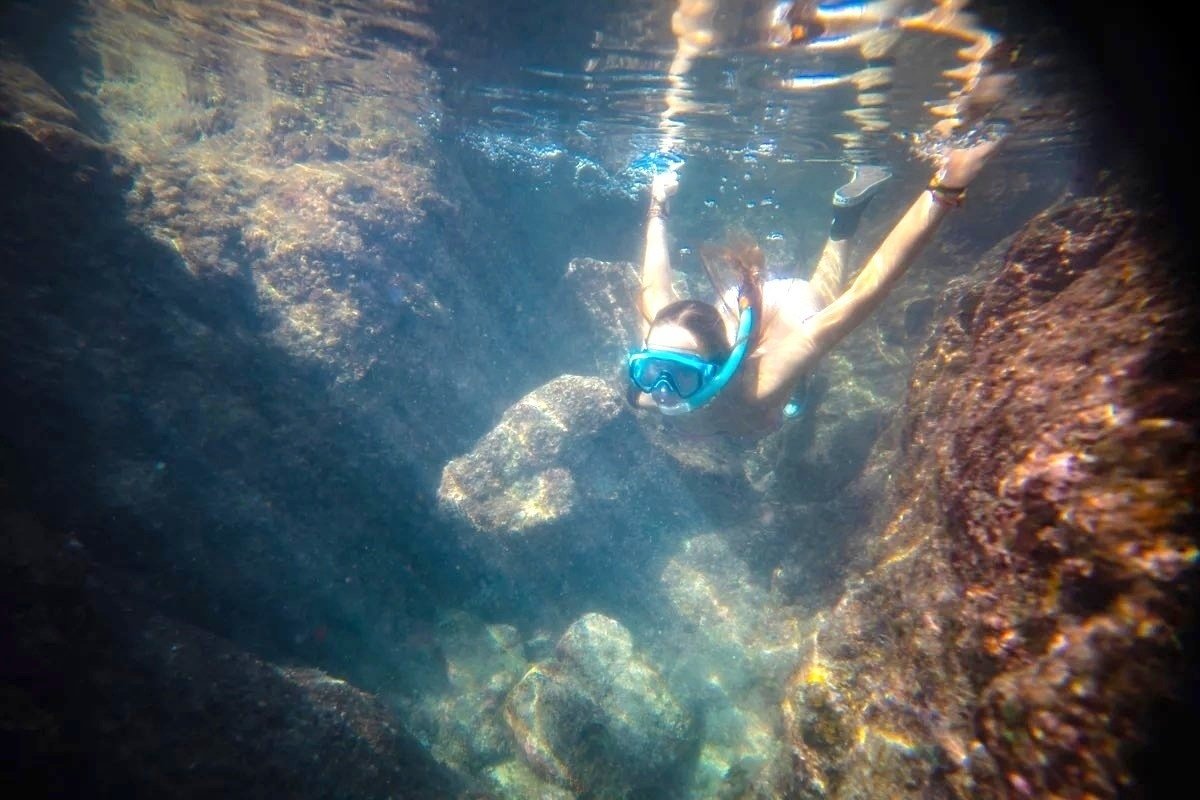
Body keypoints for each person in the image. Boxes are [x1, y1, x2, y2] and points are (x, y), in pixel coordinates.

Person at [625, 132, 1003, 438]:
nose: (662, 389)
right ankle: (847, 210)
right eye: (650, 369)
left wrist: (945, 188)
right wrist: (659, 203)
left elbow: (864, 294)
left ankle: (845, 219)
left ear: (716, 372)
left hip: (792, 309)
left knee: (828, 292)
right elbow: (654, 281)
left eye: (683, 375)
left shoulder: (762, 383)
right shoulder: (658, 356)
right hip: (735, 308)